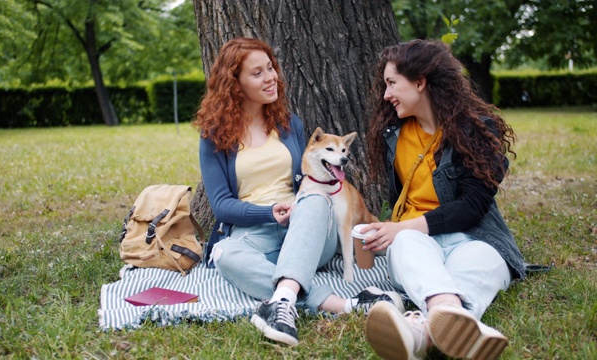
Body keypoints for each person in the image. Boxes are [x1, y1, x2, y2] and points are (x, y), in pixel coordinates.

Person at [193, 37, 404, 347]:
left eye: (270, 68)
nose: (270, 78)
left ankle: (281, 304)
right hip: (255, 234)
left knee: (316, 199)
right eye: (257, 73)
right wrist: (268, 212)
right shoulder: (214, 136)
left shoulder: (290, 124)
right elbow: (222, 205)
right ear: (234, 83)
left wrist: (303, 204)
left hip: (307, 225)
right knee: (225, 254)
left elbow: (315, 181)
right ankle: (340, 304)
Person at [360, 39, 527, 360]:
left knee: (480, 260)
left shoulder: (477, 130)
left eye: (392, 83)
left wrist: (400, 227)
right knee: (407, 242)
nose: (386, 94)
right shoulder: (393, 133)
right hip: (416, 243)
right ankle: (451, 318)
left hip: (476, 237)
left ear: (420, 82)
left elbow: (472, 207)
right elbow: (403, 221)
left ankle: (421, 333)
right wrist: (396, 230)